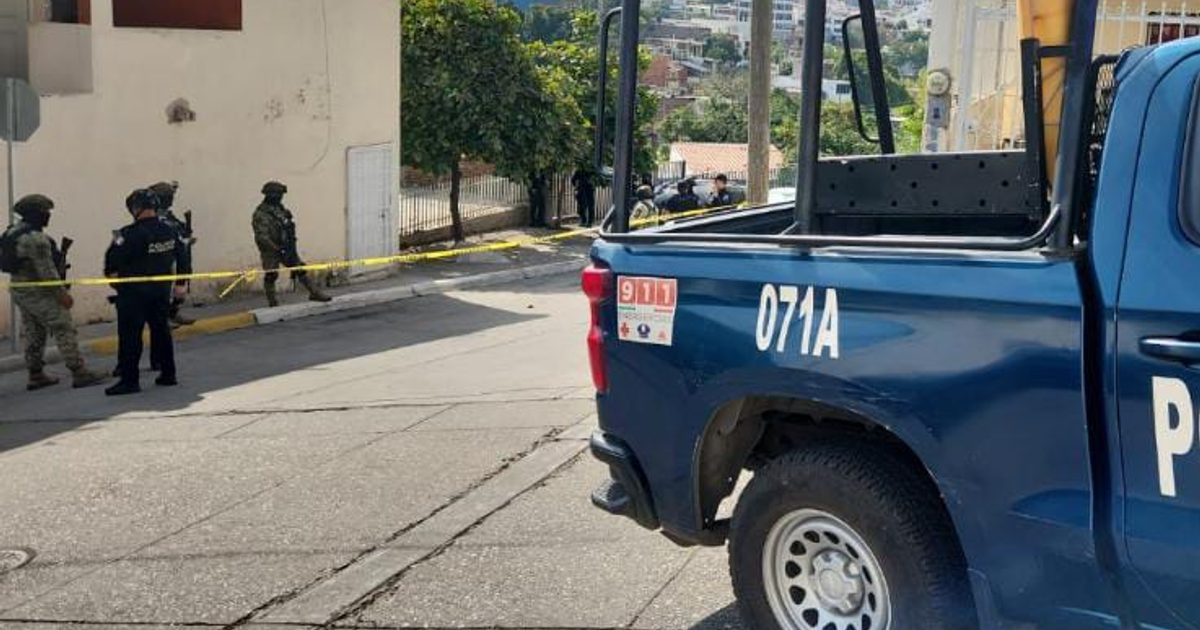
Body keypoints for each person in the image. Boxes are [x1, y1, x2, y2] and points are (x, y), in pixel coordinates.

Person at [1, 195, 107, 391]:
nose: (48, 216)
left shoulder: (12, 232)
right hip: (38, 290)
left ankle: (35, 374)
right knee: (63, 326)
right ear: (34, 213)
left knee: (35, 331)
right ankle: (79, 372)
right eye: (45, 212)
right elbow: (47, 272)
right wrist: (62, 295)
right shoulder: (36, 239)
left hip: (20, 289)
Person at [104, 189, 189, 396]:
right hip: (161, 291)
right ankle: (168, 374)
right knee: (162, 332)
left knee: (130, 336)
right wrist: (180, 284)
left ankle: (129, 381)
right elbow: (183, 257)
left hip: (132, 293)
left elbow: (110, 264)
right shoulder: (171, 230)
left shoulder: (123, 234)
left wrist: (116, 284)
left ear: (135, 209)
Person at [252, 181, 331, 307]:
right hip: (270, 249)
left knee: (299, 268)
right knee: (271, 274)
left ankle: (314, 293)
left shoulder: (280, 209)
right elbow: (262, 236)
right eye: (278, 194)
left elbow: (287, 226)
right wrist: (276, 248)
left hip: (286, 246)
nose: (280, 197)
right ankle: (272, 302)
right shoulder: (261, 214)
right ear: (270, 195)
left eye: (281, 195)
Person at [149, 181, 196, 326]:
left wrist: (185, 233)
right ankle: (161, 319)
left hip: (176, 256)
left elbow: (178, 228)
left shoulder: (167, 214)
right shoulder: (152, 215)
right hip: (160, 257)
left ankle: (173, 312)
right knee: (161, 290)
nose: (171, 201)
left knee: (180, 287)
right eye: (169, 197)